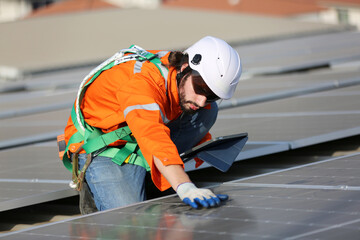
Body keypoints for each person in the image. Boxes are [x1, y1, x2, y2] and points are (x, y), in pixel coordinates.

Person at [60, 36, 242, 212]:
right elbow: (153, 135)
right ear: (185, 67)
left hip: (137, 133)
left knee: (207, 111)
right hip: (105, 147)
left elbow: (156, 130)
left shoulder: (178, 77)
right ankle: (98, 188)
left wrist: (204, 142)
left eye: (212, 95)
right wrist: (184, 186)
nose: (202, 100)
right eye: (201, 87)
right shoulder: (141, 83)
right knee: (131, 223)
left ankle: (156, 170)